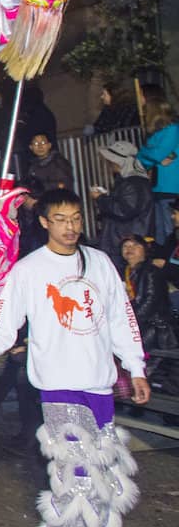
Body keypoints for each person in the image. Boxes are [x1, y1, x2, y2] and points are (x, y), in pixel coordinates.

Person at [0, 188, 149, 527]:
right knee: (74, 470)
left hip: (98, 384)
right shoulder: (29, 270)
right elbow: (4, 322)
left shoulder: (99, 264)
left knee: (98, 471)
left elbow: (121, 320)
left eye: (76, 218)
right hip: (58, 385)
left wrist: (136, 368)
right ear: (44, 222)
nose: (70, 226)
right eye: (61, 219)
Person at [92, 140, 156, 256]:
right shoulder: (132, 181)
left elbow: (124, 211)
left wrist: (100, 198)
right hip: (125, 240)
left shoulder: (133, 183)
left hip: (126, 242)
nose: (109, 163)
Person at [119, 236, 176, 354]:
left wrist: (128, 323)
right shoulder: (125, 272)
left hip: (156, 330)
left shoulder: (151, 271)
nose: (129, 249)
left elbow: (149, 304)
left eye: (135, 245)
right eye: (125, 246)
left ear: (145, 250)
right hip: (138, 325)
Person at [137, 102, 179, 242]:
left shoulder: (172, 130)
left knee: (170, 228)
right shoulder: (158, 133)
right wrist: (156, 159)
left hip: (171, 187)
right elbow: (142, 158)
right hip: (158, 187)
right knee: (160, 231)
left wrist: (153, 158)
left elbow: (153, 154)